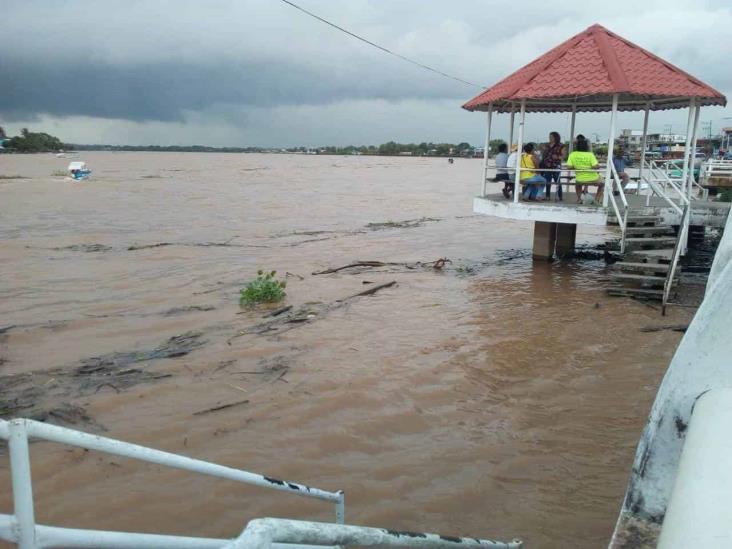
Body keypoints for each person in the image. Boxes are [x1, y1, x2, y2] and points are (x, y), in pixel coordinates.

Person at [566, 135, 601, 204]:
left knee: (577, 183)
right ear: (586, 147)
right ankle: (596, 200)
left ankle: (579, 199)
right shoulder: (590, 154)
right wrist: (590, 167)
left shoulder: (572, 154)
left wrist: (577, 167)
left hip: (580, 178)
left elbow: (568, 167)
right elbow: (596, 166)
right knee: (603, 184)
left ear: (577, 146)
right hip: (593, 178)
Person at [541, 131, 564, 201]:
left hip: (556, 166)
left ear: (556, 137)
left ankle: (560, 196)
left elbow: (563, 156)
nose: (550, 138)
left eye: (551, 137)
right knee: (548, 182)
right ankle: (547, 196)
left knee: (558, 182)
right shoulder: (547, 145)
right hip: (547, 166)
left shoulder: (561, 146)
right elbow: (542, 152)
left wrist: (557, 157)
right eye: (549, 137)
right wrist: (543, 149)